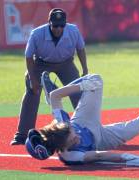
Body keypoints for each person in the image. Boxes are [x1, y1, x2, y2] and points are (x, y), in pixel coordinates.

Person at [25, 72, 139, 164]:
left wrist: (81, 87)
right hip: (99, 140)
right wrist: (125, 158)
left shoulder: (62, 125)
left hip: (83, 121)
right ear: (62, 147)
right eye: (72, 139)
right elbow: (99, 155)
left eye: (70, 133)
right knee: (134, 127)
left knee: (96, 79)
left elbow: (54, 96)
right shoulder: (71, 156)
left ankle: (82, 85)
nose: (75, 136)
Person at [11, 8, 88, 145]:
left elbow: (80, 49)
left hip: (66, 63)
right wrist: (33, 79)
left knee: (77, 91)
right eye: (55, 25)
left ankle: (86, 129)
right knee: (32, 92)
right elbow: (29, 57)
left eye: (61, 25)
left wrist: (85, 69)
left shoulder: (73, 31)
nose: (58, 28)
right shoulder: (37, 34)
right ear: (49, 23)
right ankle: (22, 135)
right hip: (41, 63)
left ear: (65, 24)